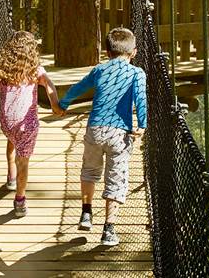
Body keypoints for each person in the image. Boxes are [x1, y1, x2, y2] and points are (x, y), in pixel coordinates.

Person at [56, 27, 147, 247]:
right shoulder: (136, 73)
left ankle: (86, 214)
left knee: (89, 170)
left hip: (95, 129)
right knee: (116, 178)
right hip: (119, 133)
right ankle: (109, 229)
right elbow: (140, 99)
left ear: (107, 52)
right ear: (133, 52)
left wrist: (63, 103)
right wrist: (143, 125)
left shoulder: (99, 70)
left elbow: (78, 88)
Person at [0, 31, 62, 217]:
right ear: (31, 50)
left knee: (13, 140)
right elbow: (49, 85)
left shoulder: (1, 69)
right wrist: (55, 106)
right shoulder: (36, 69)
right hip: (26, 124)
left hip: (7, 122)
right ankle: (20, 200)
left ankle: (11, 175)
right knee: (24, 161)